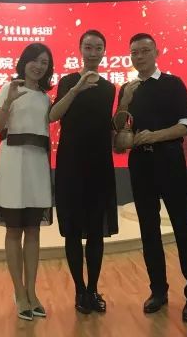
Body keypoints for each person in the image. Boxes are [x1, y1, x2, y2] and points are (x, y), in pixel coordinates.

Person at [115, 33, 187, 323]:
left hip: (169, 161)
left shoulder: (173, 84)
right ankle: (158, 290)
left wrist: (155, 135)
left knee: (183, 226)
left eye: (144, 50)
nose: (139, 56)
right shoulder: (127, 88)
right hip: (140, 164)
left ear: (156, 52)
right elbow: (120, 132)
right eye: (134, 52)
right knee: (148, 229)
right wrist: (124, 102)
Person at [49, 30, 118, 314]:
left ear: (104, 52)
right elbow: (53, 115)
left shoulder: (110, 88)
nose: (93, 52)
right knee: (73, 232)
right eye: (88, 47)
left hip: (100, 165)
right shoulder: (67, 82)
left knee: (96, 233)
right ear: (80, 49)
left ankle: (93, 289)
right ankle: (79, 290)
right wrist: (77, 88)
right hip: (71, 165)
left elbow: (107, 125)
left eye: (98, 48)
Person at [0, 43, 54, 321]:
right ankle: (19, 293)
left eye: (44, 63)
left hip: (37, 165)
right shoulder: (9, 88)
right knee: (14, 231)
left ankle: (32, 292)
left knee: (33, 231)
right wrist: (8, 102)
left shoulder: (46, 98)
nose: (38, 66)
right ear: (24, 62)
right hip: (13, 164)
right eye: (34, 60)